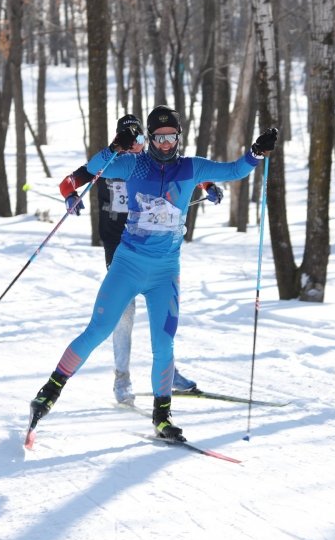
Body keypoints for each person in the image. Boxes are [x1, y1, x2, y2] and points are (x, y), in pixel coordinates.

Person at [29, 105, 277, 441]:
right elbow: (94, 168)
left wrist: (255, 153)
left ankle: (162, 416)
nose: (165, 143)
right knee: (98, 330)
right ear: (150, 138)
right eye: (158, 137)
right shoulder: (134, 164)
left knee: (164, 344)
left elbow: (234, 170)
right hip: (127, 264)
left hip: (165, 274)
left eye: (171, 136)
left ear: (179, 137)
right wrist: (115, 147)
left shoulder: (191, 167)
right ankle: (49, 392)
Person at [59, 113, 223, 404]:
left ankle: (169, 373)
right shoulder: (111, 163)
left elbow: (188, 173)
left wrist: (209, 186)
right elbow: (68, 182)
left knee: (162, 318)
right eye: (129, 139)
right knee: (125, 313)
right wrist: (71, 196)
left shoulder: (152, 163)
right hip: (119, 248)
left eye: (139, 138)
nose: (135, 144)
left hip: (155, 248)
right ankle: (122, 378)